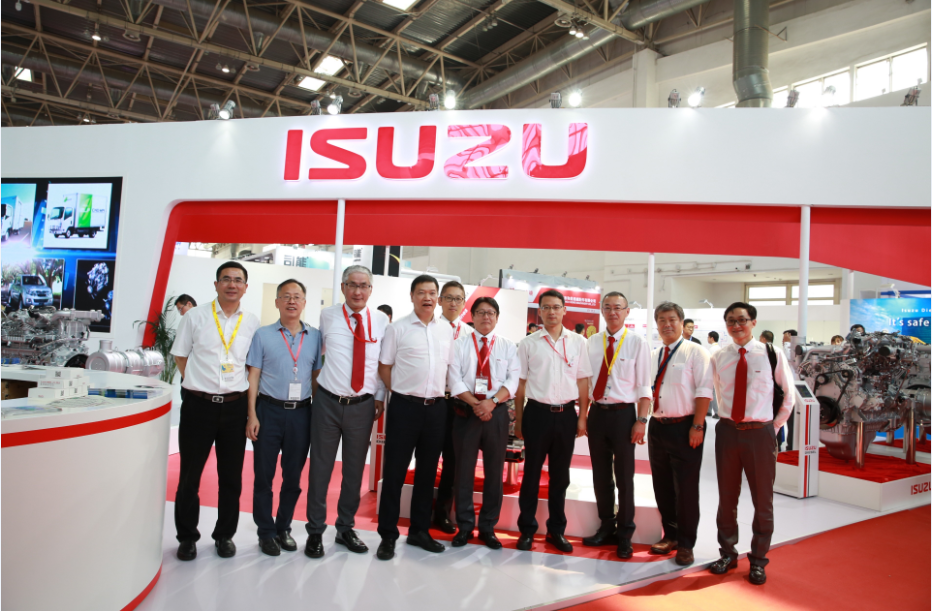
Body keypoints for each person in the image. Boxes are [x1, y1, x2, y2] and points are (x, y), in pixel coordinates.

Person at [170, 261, 260, 561]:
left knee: (231, 477)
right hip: (198, 406)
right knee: (189, 476)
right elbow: (180, 356)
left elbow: (251, 367)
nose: (232, 284)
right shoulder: (195, 316)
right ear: (216, 284)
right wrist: (198, 384)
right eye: (226, 279)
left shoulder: (252, 322)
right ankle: (187, 537)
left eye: (238, 280)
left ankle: (224, 535)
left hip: (235, 407)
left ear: (245, 287)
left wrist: (249, 411)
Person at [305, 265, 389, 558]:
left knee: (354, 472)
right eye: (352, 285)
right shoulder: (327, 316)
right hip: (327, 403)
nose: (357, 291)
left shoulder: (381, 320)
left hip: (362, 406)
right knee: (320, 470)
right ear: (343, 287)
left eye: (363, 285)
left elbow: (381, 363)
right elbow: (316, 356)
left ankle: (345, 528)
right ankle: (315, 531)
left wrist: (379, 396)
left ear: (370, 290)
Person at [710, 302, 793, 586]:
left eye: (742, 320)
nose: (736, 326)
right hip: (728, 432)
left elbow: (788, 395)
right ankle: (727, 553)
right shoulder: (719, 356)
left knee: (762, 500)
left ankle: (758, 560)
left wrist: (773, 428)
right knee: (726, 498)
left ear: (753, 322)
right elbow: (717, 392)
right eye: (731, 321)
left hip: (760, 433)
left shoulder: (771, 354)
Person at [376, 274, 455, 560]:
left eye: (432, 293)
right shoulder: (397, 328)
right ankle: (387, 535)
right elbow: (384, 367)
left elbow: (450, 369)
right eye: (421, 292)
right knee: (394, 473)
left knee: (427, 473)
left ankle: (419, 531)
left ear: (438, 298)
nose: (427, 297)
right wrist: (399, 392)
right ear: (412, 296)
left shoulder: (446, 330)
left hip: (436, 409)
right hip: (404, 407)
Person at [245, 279, 322, 557]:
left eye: (297, 297)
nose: (292, 301)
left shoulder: (315, 336)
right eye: (286, 296)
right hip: (268, 411)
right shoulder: (262, 335)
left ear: (304, 303)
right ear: (277, 302)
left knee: (293, 477)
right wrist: (251, 414)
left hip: (301, 413)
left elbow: (316, 377)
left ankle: (283, 527)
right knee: (263, 476)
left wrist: (317, 414)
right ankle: (265, 532)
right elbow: (253, 376)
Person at [514, 289, 592, 553]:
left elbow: (583, 381)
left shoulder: (578, 342)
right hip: (537, 414)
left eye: (556, 307)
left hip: (567, 415)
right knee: (531, 475)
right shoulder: (528, 344)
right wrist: (519, 420)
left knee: (560, 477)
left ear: (564, 310)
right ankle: (527, 530)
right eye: (546, 307)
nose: (551, 312)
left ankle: (556, 530)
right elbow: (520, 385)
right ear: (540, 311)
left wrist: (582, 417)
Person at [581, 292, 651, 560]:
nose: (613, 312)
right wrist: (583, 415)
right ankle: (606, 526)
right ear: (602, 310)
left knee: (624, 476)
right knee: (600, 475)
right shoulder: (592, 342)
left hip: (624, 416)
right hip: (598, 414)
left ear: (627, 311)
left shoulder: (637, 343)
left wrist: (641, 420)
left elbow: (644, 386)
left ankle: (625, 533)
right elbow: (585, 382)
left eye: (618, 308)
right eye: (608, 307)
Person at [447, 296, 520, 550]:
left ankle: (488, 527)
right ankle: (465, 526)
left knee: (494, 473)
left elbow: (513, 380)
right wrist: (476, 404)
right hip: (466, 413)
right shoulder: (459, 345)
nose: (486, 317)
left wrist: (492, 402)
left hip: (496, 413)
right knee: (463, 472)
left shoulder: (508, 346)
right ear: (473, 316)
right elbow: (454, 380)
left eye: (491, 313)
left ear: (497, 318)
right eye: (481, 312)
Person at [648, 302, 713, 566]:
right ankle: (671, 535)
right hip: (657, 426)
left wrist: (698, 426)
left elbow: (704, 391)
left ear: (682, 322)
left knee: (685, 489)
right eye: (662, 320)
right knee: (662, 485)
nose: (667, 324)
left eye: (672, 319)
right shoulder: (654, 355)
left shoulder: (696, 352)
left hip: (686, 427)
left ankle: (686, 544)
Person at [432, 281, 474, 534]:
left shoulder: (469, 334)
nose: (453, 303)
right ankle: (422, 509)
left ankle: (443, 512)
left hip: (458, 404)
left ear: (464, 303)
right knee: (427, 457)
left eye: (458, 299)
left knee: (453, 460)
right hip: (433, 400)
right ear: (439, 301)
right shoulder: (430, 328)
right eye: (448, 298)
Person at [706, 331, 722, 417]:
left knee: (713, 393)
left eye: (708, 337)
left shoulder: (711, 349)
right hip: (718, 373)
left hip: (712, 373)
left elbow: (708, 362)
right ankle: (709, 411)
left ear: (712, 338)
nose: (707, 339)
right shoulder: (719, 348)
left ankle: (717, 412)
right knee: (712, 392)